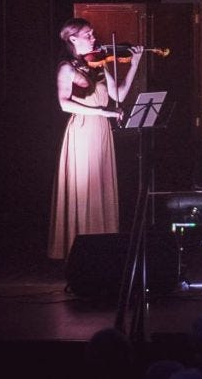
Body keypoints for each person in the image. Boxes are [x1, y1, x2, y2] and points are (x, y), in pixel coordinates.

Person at [48, 18, 143, 259]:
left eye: (92, 34)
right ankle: (80, 250)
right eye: (88, 35)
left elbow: (118, 95)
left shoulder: (98, 64)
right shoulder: (66, 67)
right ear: (73, 39)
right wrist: (103, 111)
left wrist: (134, 65)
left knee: (101, 188)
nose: (93, 38)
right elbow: (64, 104)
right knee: (85, 189)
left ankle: (102, 249)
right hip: (82, 130)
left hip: (101, 130)